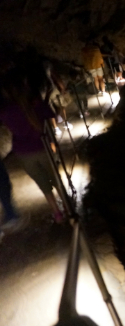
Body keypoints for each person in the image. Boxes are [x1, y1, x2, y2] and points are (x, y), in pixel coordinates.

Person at [0, 70, 65, 223]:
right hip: (43, 147)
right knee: (56, 179)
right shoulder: (36, 104)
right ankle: (69, 208)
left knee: (43, 184)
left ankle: (57, 213)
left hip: (23, 153)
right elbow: (53, 116)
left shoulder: (6, 112)